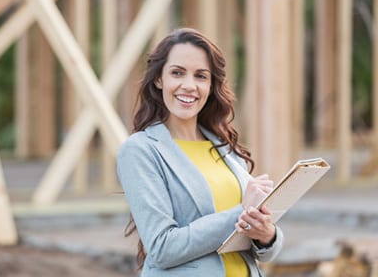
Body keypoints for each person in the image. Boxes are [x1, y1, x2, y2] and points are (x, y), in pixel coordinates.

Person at [116, 27, 283, 276]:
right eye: (177, 73)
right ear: (159, 79)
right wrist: (240, 214)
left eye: (201, 76)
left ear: (211, 85)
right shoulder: (141, 150)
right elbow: (162, 247)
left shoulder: (224, 146)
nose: (189, 85)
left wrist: (266, 234)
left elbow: (264, 251)